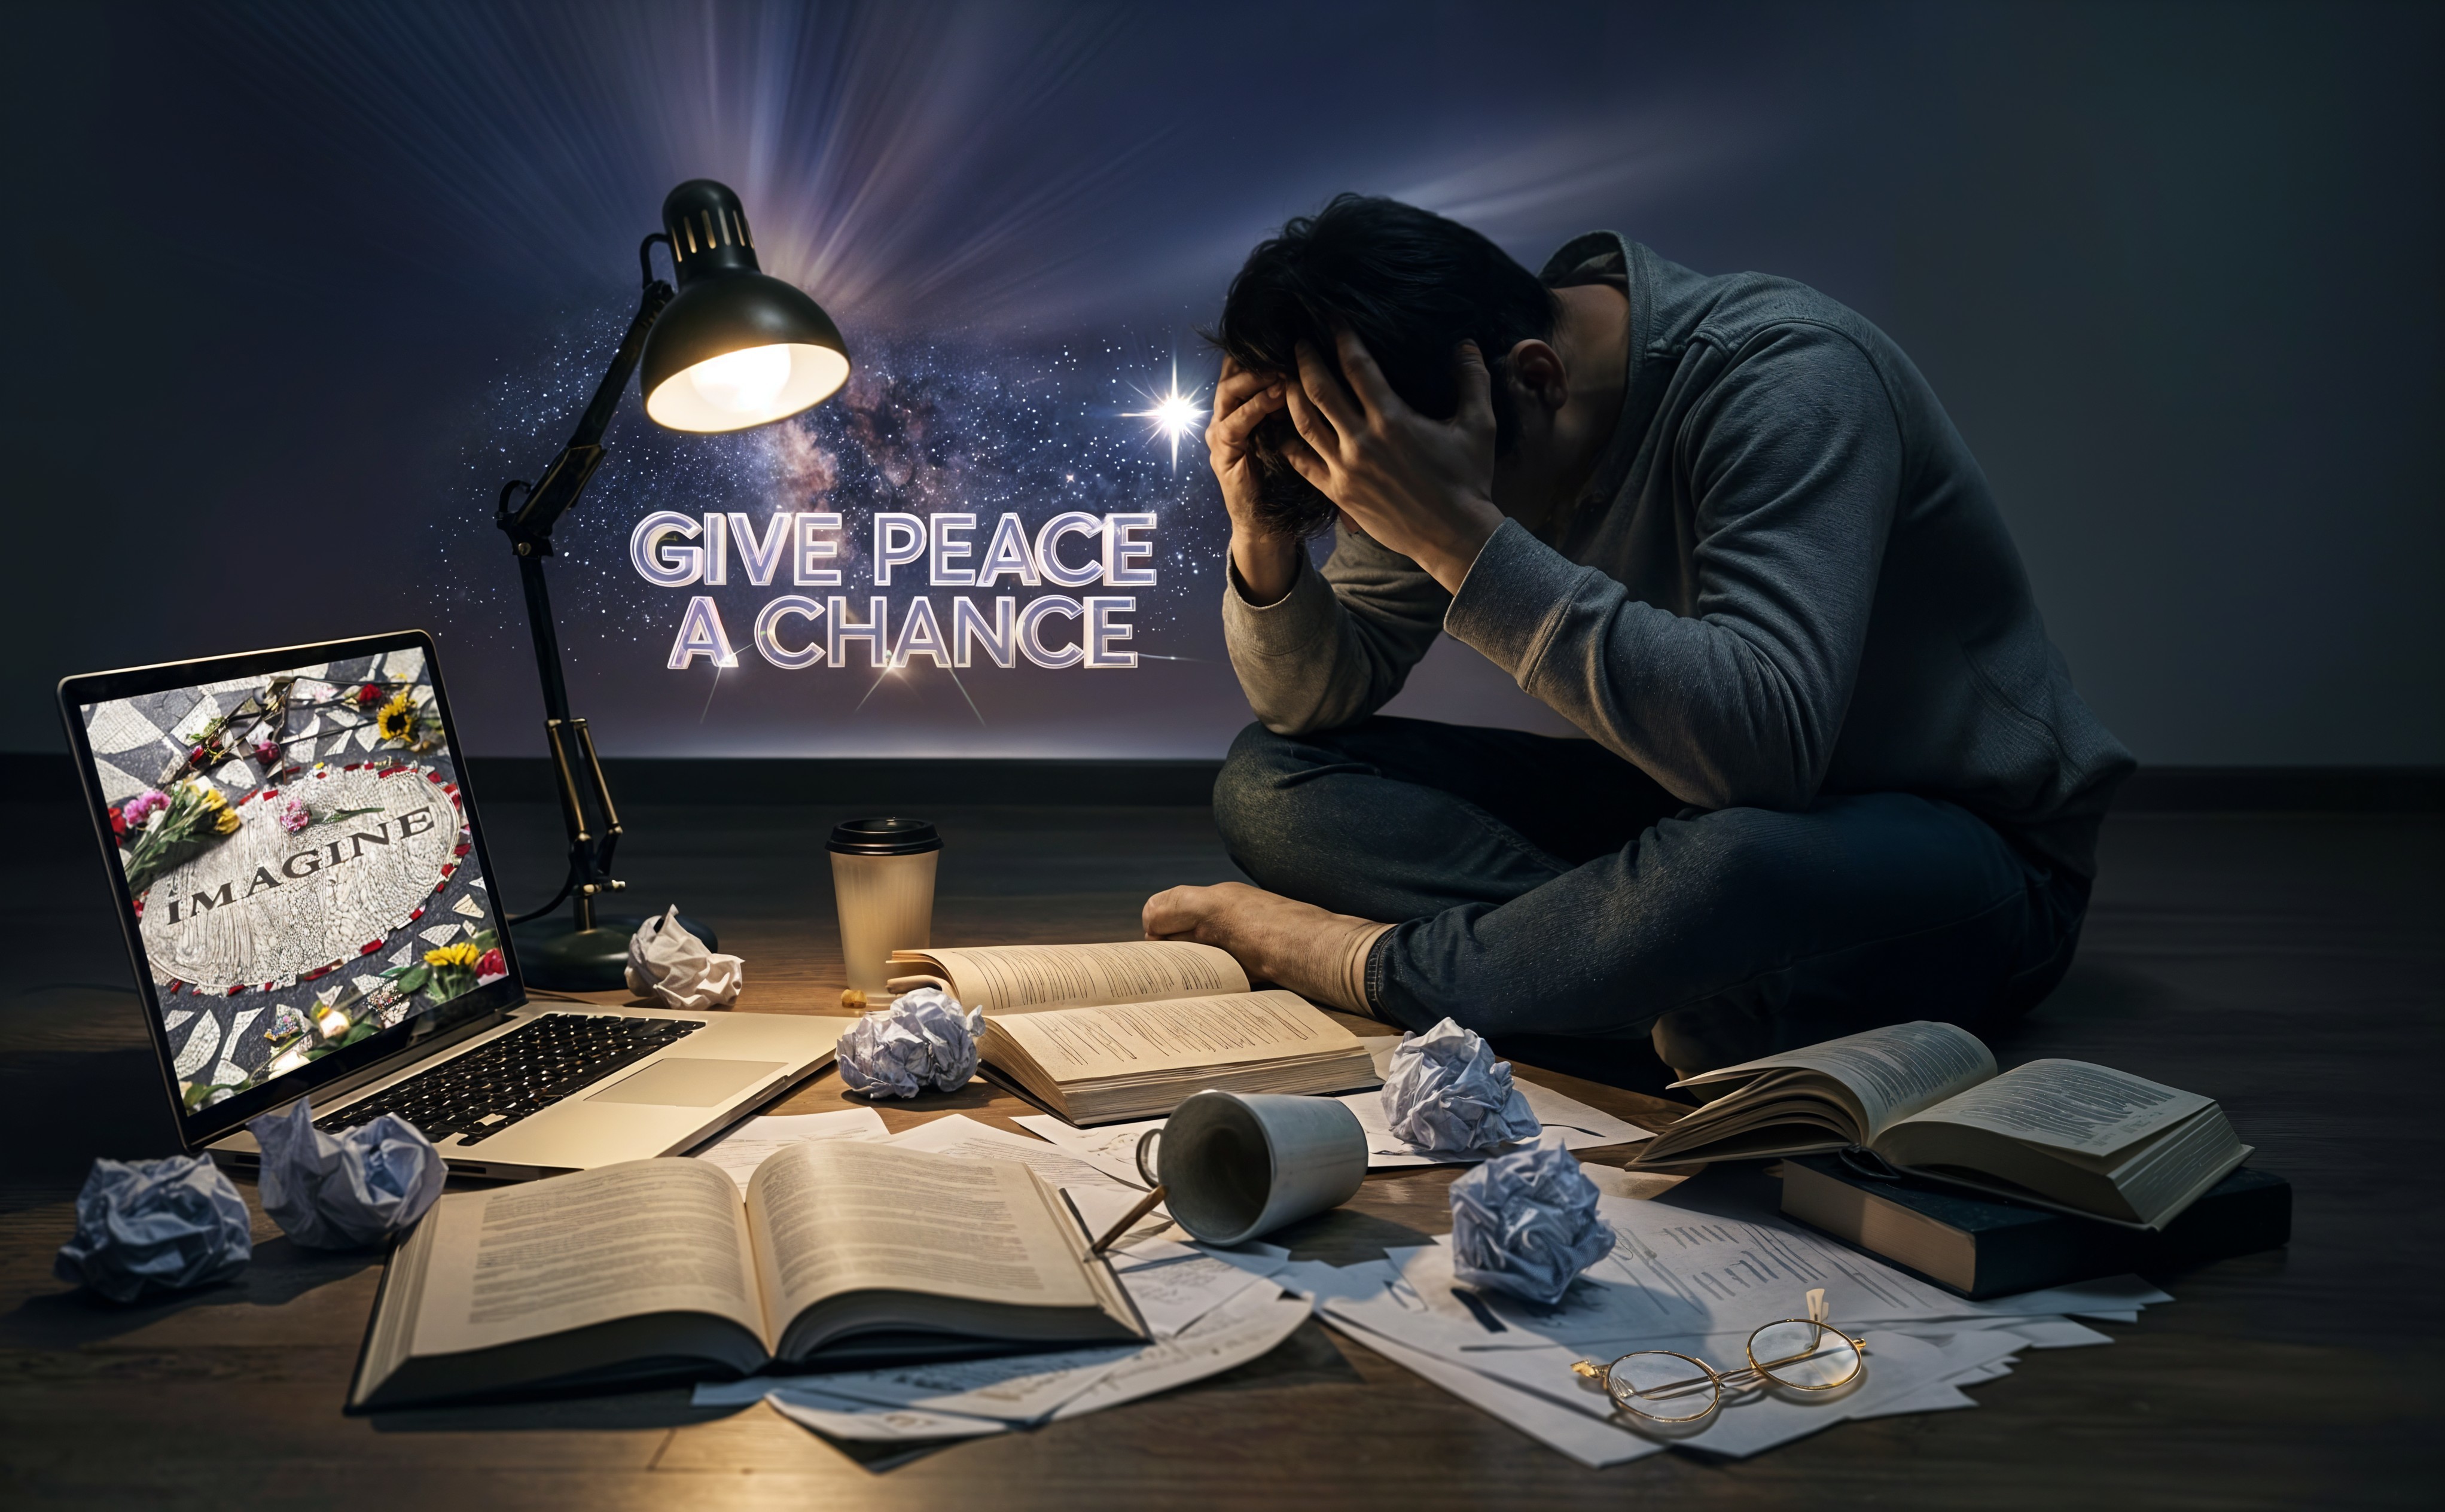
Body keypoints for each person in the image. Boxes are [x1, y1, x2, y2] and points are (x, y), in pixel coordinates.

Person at [1142, 194, 2133, 1084]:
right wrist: (1264, 539)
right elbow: (1311, 700)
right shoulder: (1442, 403)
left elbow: (1766, 748)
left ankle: (1384, 967)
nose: (1394, 533)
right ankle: (1646, 971)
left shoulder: (1788, 378)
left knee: (1729, 872)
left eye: (1402, 508)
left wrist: (1455, 533)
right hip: (1685, 805)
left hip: (1964, 851)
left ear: (1534, 381)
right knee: (1270, 786)